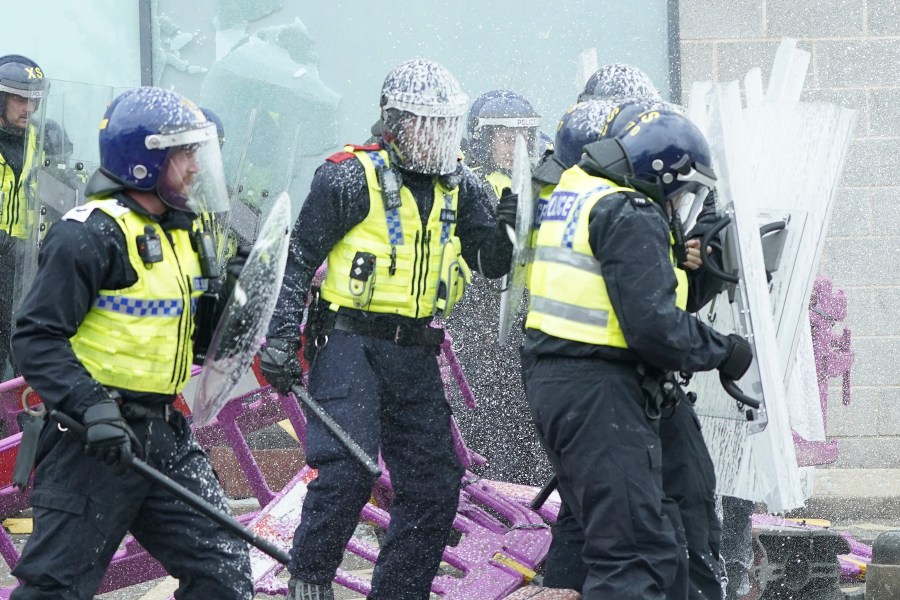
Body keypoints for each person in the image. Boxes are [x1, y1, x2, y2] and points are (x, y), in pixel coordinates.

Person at [258, 59, 516, 600]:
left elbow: (492, 264)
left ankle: (399, 593)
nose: (442, 136)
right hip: (349, 341)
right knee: (349, 469)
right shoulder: (347, 177)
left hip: (416, 350)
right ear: (395, 124)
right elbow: (298, 259)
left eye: (449, 124)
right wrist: (282, 337)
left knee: (435, 486)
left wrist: (511, 224)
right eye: (430, 123)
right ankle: (309, 581)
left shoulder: (463, 186)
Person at [9, 86, 252, 599]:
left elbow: (199, 339)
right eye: (184, 153)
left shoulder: (183, 234)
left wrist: (233, 295)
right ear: (145, 162)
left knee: (223, 576)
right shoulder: (88, 235)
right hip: (90, 442)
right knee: (56, 589)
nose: (194, 166)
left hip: (165, 435)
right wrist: (92, 407)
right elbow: (35, 337)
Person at [520, 106, 753, 600]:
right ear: (664, 172)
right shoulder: (628, 211)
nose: (681, 203)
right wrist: (724, 351)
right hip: (600, 388)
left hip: (562, 380)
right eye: (683, 189)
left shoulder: (578, 190)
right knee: (634, 556)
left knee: (636, 541)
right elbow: (655, 327)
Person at [446, 89, 552, 486]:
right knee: (485, 425)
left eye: (523, 138)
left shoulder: (538, 185)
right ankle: (489, 503)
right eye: (507, 139)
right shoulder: (471, 186)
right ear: (483, 141)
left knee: (530, 426)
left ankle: (531, 508)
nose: (516, 148)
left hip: (526, 326)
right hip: (478, 328)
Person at [0, 54, 44, 380]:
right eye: (18, 98)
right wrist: (7, 244)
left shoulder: (35, 141)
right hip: (7, 252)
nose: (27, 108)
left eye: (32, 100)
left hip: (22, 267)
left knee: (22, 346)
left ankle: (21, 423)